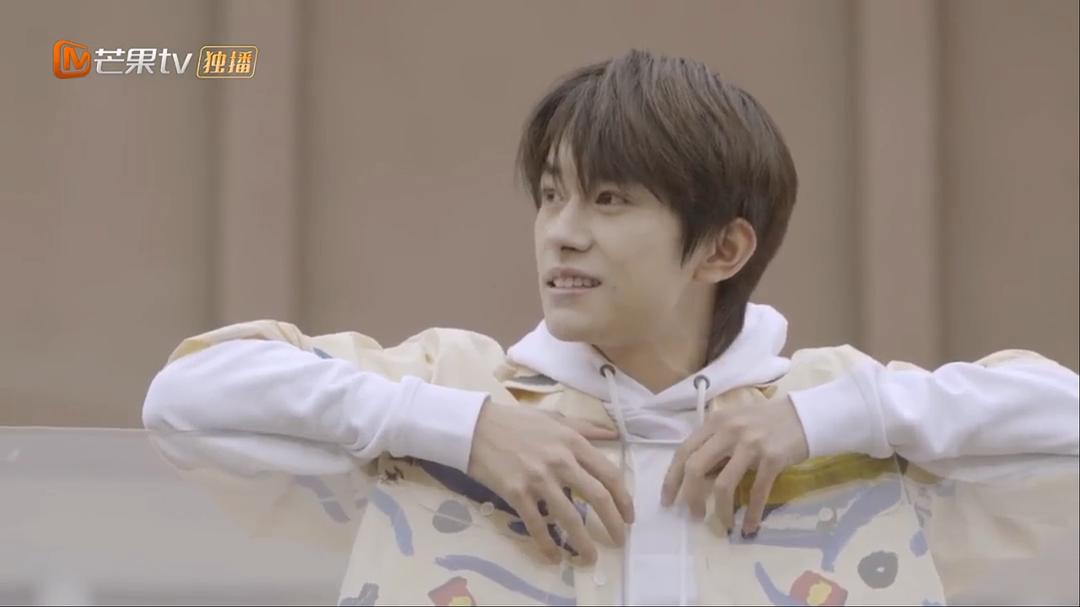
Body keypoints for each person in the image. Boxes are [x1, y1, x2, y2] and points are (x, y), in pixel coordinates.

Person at [142, 49, 1079, 606]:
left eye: (609, 199)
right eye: (551, 195)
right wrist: (463, 426)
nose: (562, 230)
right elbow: (184, 398)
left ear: (722, 247)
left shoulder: (839, 410)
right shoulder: (453, 383)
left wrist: (828, 418)